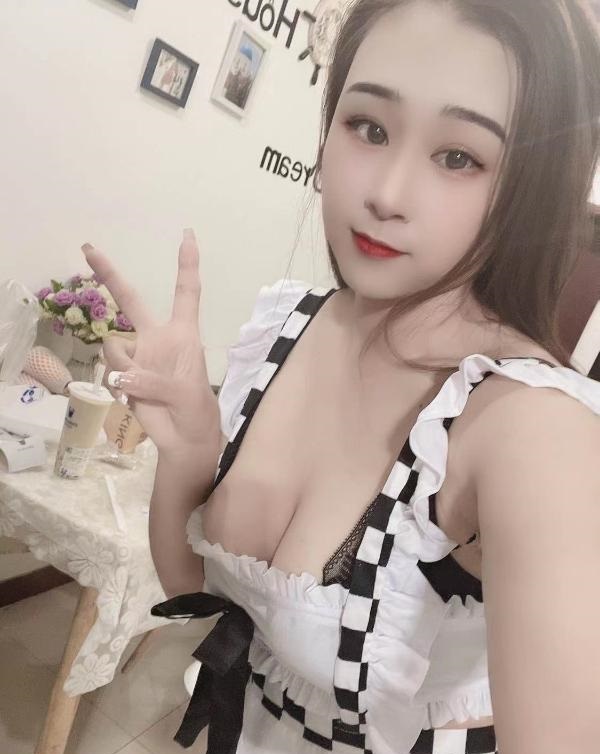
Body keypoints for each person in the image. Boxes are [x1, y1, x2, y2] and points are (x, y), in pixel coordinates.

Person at [82, 1, 600, 752]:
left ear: (531, 186)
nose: (387, 192)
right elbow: (201, 597)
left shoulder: (531, 428)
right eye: (369, 127)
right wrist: (191, 451)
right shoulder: (290, 327)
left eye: (459, 157)